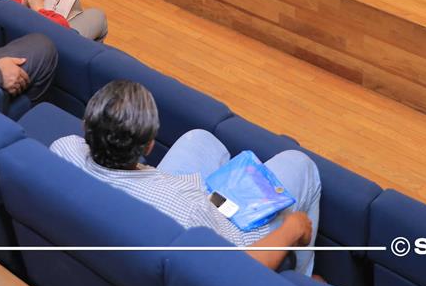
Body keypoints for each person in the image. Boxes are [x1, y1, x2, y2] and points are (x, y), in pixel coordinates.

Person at [52, 80, 321, 275]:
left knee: (199, 140)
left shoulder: (63, 149)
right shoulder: (188, 211)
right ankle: (299, 280)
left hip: (152, 194)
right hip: (227, 231)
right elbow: (235, 270)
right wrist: (291, 229)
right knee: (300, 165)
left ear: (86, 125)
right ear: (149, 146)